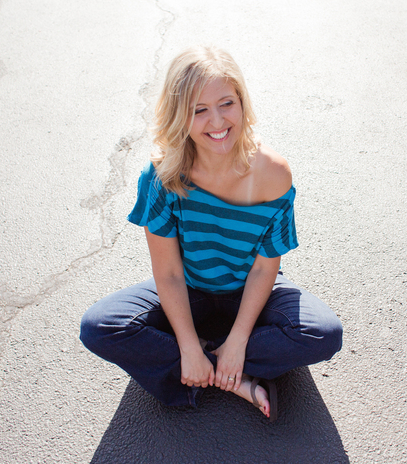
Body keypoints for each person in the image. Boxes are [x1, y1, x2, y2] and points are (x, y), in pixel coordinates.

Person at [80, 46, 343, 421]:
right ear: (179, 116)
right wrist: (188, 345)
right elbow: (169, 273)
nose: (217, 121)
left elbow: (263, 268)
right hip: (189, 288)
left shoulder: (273, 173)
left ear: (242, 102)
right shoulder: (161, 177)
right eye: (198, 110)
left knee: (324, 333)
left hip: (250, 290)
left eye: (226, 104)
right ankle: (229, 375)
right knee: (100, 327)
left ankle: (209, 365)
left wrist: (238, 340)